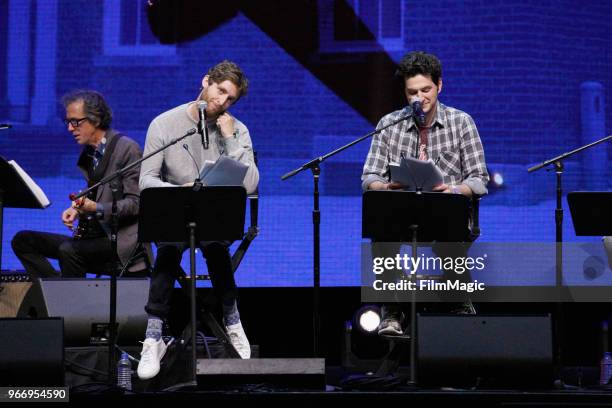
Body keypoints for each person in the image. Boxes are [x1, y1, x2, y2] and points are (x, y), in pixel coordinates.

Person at [137, 60, 259, 380]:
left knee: (217, 248)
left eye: (230, 98)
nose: (222, 102)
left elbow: (250, 184)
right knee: (167, 250)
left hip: (214, 216)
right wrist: (179, 191)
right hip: (176, 212)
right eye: (220, 91)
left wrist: (230, 139)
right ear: (206, 81)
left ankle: (232, 322)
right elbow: (146, 180)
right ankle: (152, 337)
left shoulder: (237, 129)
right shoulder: (164, 124)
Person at [361, 51, 489, 336]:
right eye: (412, 92)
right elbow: (369, 177)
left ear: (439, 86)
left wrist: (454, 189)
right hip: (402, 211)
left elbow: (480, 179)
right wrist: (385, 186)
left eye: (426, 90)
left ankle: (458, 304)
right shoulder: (389, 124)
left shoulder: (461, 122)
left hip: (447, 211)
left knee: (449, 235)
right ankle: (392, 312)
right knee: (381, 230)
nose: (419, 97)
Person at [11, 90, 144, 279]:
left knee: (69, 250)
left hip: (119, 242)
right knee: (23, 241)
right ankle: (56, 292)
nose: (70, 128)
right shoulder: (90, 153)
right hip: (90, 239)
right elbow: (98, 191)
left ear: (96, 120)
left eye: (75, 122)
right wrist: (79, 208)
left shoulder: (127, 148)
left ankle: (70, 304)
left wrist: (97, 208)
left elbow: (136, 204)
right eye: (68, 122)